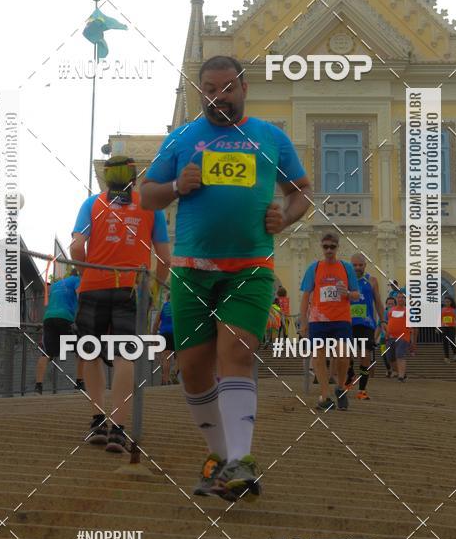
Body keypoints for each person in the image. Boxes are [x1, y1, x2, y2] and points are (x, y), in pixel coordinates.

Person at [140, 55, 311, 502]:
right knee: (194, 371)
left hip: (251, 268)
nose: (219, 97)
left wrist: (285, 216)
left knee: (236, 352)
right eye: (210, 90)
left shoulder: (270, 138)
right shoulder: (181, 138)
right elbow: (147, 195)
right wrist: (178, 186)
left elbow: (301, 191)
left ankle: (241, 459)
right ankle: (219, 456)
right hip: (191, 271)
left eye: (227, 88)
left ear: (243, 89)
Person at [70, 156, 170, 452]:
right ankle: (119, 428)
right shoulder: (152, 208)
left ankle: (97, 419)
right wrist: (155, 289)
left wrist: (85, 273)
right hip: (132, 288)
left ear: (107, 178)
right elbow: (165, 258)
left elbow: (76, 246)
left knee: (91, 352)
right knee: (127, 354)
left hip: (93, 285)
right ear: (135, 178)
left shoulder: (92, 204)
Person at [299, 232, 360, 412]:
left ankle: (340, 387)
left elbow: (356, 294)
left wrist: (347, 294)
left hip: (341, 319)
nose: (328, 250)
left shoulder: (346, 267)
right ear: (321, 247)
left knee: (343, 356)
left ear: (337, 247)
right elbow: (305, 296)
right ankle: (325, 397)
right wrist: (303, 322)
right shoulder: (314, 268)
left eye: (332, 247)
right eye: (325, 246)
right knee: (318, 358)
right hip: (318, 320)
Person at [35, 268, 83, 395]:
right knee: (81, 350)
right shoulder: (77, 280)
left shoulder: (56, 284)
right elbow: (80, 296)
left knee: (46, 353)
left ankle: (38, 387)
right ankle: (79, 384)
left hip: (49, 318)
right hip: (65, 318)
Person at [349, 253, 384, 401]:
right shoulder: (345, 281)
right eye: (355, 265)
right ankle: (349, 375)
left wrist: (383, 321)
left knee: (365, 356)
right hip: (348, 323)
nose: (357, 267)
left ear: (365, 265)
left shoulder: (372, 281)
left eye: (360, 265)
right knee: (345, 355)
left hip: (367, 324)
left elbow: (378, 302)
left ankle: (362, 390)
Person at [386, 290, 417, 381]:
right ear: (396, 298)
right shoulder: (391, 310)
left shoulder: (409, 311)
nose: (401, 299)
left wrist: (412, 342)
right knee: (390, 356)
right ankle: (401, 372)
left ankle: (401, 376)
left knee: (400, 354)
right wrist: (387, 334)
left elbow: (412, 327)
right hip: (391, 337)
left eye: (403, 297)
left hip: (403, 337)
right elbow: (389, 323)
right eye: (399, 297)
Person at [153, 297, 175, 384]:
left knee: (166, 358)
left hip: (164, 333)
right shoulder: (177, 306)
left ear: (166, 298)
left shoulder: (163, 307)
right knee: (179, 356)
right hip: (176, 333)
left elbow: (155, 323)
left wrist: (154, 338)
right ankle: (174, 373)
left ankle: (165, 380)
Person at [379, 296, 396, 376]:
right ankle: (389, 369)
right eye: (389, 304)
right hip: (383, 338)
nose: (390, 305)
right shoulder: (383, 314)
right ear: (386, 304)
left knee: (392, 355)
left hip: (394, 338)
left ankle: (394, 370)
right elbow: (379, 326)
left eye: (392, 304)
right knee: (384, 354)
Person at [440, 295, 456, 362]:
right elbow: (440, 318)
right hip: (444, 327)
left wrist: (454, 324)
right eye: (445, 302)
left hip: (452, 328)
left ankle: (455, 354)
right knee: (445, 342)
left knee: (451, 340)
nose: (446, 303)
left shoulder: (454, 310)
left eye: (448, 302)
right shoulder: (442, 309)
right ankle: (446, 357)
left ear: (451, 302)